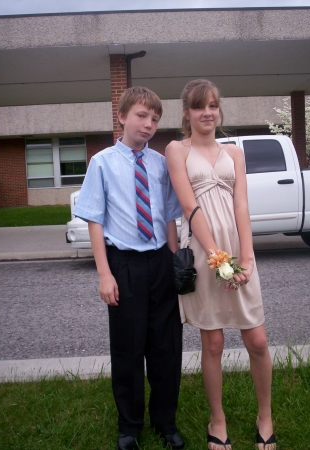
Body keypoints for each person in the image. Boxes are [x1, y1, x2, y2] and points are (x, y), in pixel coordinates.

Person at [165, 79, 276, 450]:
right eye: (199, 107)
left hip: (238, 252)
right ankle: (218, 420)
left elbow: (241, 205)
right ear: (187, 112)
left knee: (257, 339)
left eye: (212, 105)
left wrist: (245, 258)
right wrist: (219, 259)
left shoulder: (235, 153)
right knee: (212, 343)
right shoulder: (176, 150)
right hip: (204, 253)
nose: (207, 112)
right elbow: (187, 206)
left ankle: (265, 416)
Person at [73, 86, 184, 450]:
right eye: (141, 115)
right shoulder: (102, 162)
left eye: (154, 119)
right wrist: (105, 274)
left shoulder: (159, 164)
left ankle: (165, 421)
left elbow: (169, 214)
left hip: (159, 260)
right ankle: (130, 425)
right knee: (128, 347)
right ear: (121, 117)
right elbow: (95, 220)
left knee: (166, 346)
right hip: (124, 263)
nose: (149, 124)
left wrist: (175, 259)